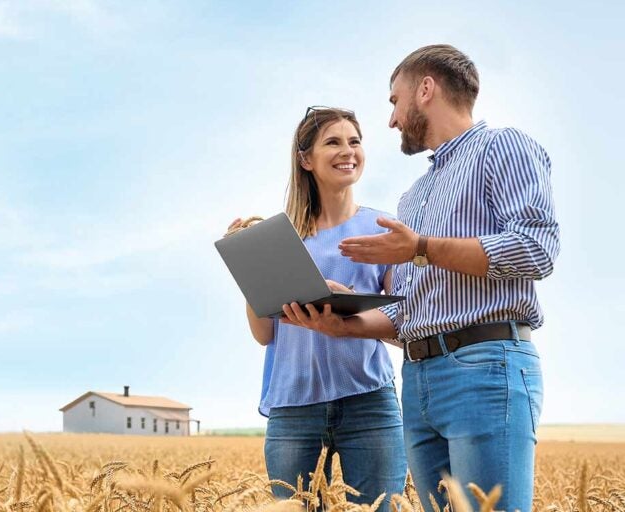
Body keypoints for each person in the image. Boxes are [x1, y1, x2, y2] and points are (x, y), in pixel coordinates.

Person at [280, 45, 559, 512]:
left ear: (425, 90)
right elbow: (409, 310)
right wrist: (342, 321)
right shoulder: (414, 197)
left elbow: (536, 250)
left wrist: (422, 248)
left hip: (484, 367)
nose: (390, 119)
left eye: (394, 100)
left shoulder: (502, 147)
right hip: (419, 377)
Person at [228, 107, 407, 510]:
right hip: (293, 407)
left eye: (355, 141)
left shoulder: (386, 228)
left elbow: (404, 328)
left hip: (370, 400)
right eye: (333, 142)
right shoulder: (279, 238)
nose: (348, 151)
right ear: (305, 159)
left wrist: (348, 315)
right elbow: (264, 334)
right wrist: (250, 266)